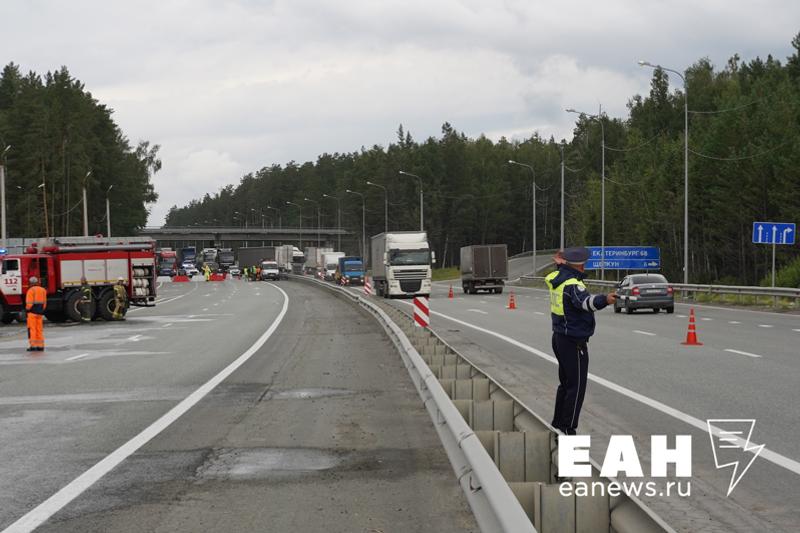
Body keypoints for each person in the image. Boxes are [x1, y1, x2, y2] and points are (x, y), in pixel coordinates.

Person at [544, 247, 616, 435]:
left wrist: (559, 264)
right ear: (582, 265)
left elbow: (560, 275)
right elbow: (585, 303)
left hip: (559, 336)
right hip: (573, 342)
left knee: (566, 384)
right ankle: (568, 429)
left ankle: (558, 424)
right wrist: (605, 300)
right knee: (576, 387)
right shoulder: (573, 284)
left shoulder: (558, 278)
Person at [25, 276, 47, 352]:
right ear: (37, 282)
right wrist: (41, 310)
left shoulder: (30, 290)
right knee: (39, 329)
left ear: (30, 283)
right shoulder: (43, 290)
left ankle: (33, 346)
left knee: (32, 329)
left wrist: (27, 310)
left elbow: (29, 304)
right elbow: (44, 303)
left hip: (32, 313)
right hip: (40, 313)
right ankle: (40, 346)